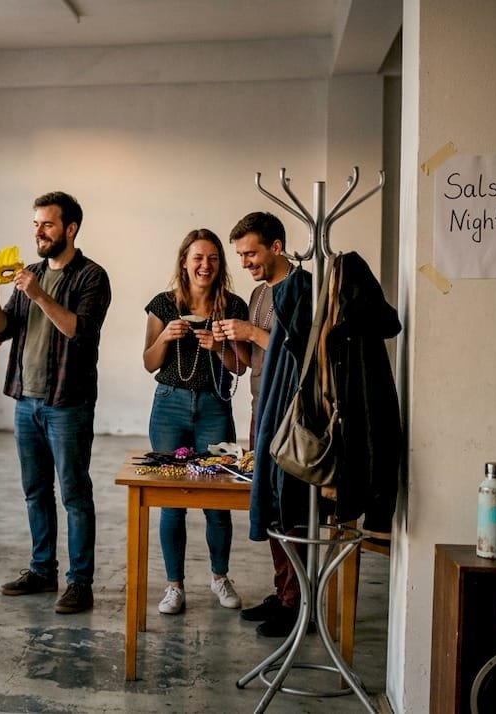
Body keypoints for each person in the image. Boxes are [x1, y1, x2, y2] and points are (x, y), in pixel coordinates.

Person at [0, 191, 111, 615]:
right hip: (26, 400)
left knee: (74, 494)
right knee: (35, 491)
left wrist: (38, 295)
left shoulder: (92, 276)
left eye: (47, 224)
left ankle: (80, 582)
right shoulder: (29, 272)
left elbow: (80, 331)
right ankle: (42, 570)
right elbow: (2, 331)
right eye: (35, 223)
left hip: (67, 403)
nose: (37, 231)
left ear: (70, 229)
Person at [142, 228, 250, 616]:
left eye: (213, 259)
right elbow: (149, 362)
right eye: (198, 258)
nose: (205, 265)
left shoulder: (234, 305)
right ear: (184, 262)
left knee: (216, 499)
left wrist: (220, 348)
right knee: (171, 500)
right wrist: (166, 339)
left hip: (214, 407)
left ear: (220, 265)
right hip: (169, 405)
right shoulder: (163, 305)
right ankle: (174, 586)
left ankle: (219, 577)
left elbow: (244, 365)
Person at [215, 212, 302, 637]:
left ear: (276, 247)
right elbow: (250, 362)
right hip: (260, 407)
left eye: (251, 252)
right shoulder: (258, 293)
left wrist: (250, 331)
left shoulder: (301, 288)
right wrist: (228, 343)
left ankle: (297, 603)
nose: (245, 261)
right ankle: (284, 592)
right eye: (241, 254)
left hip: (289, 411)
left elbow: (302, 352)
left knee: (289, 508)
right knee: (269, 504)